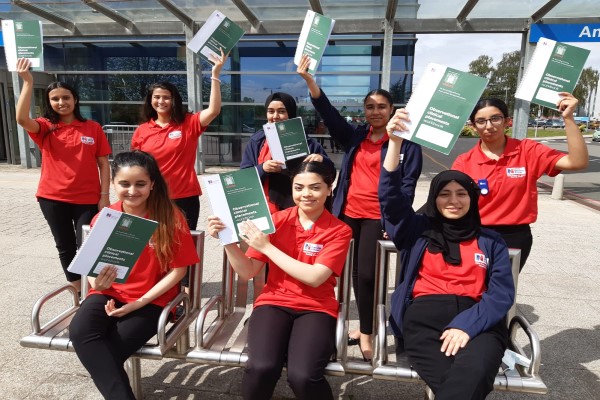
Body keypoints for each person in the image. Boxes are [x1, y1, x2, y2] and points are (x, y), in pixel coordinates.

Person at [380, 112, 515, 399]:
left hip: (479, 322)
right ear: (433, 198)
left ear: (472, 198)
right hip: (425, 322)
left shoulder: (490, 241)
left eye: (461, 194)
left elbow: (501, 295)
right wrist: (394, 143)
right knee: (461, 386)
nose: (453, 201)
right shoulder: (417, 231)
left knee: (473, 373)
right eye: (444, 194)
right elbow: (391, 201)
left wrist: (466, 325)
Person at [297, 54, 423, 359]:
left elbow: (406, 188)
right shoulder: (356, 136)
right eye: (370, 107)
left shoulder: (407, 143)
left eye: (382, 106)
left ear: (392, 110)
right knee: (331, 271)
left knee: (366, 276)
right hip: (346, 214)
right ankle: (327, 325)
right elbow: (328, 113)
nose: (376, 112)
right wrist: (310, 81)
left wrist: (391, 219)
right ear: (364, 111)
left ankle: (367, 333)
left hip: (377, 218)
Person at [207, 161, 352, 400]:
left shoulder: (339, 230)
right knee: (261, 368)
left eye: (315, 188)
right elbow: (248, 271)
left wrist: (268, 248)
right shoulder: (275, 220)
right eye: (298, 187)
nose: (306, 194)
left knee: (303, 376)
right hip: (273, 302)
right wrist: (227, 241)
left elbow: (315, 277)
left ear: (329, 189)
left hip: (316, 307)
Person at [69, 150, 199, 399]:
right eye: (124, 184)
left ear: (152, 184)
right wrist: (98, 281)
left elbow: (178, 272)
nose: (132, 191)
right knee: (81, 331)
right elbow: (93, 271)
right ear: (113, 184)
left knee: (107, 352)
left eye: (140, 184)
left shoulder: (170, 217)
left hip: (153, 300)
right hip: (109, 292)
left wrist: (137, 304)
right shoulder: (106, 218)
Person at [452, 94, 588, 271]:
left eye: (495, 119)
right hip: (474, 234)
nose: (489, 126)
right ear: (473, 126)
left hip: (515, 236)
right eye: (481, 121)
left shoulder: (527, 150)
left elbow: (577, 162)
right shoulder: (464, 162)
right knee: (473, 290)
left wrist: (568, 118)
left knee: (503, 291)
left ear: (508, 121)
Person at [15, 57, 111, 294]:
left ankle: (93, 290)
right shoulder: (45, 127)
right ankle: (77, 291)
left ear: (75, 99)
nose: (61, 102)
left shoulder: (92, 128)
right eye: (55, 99)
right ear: (49, 102)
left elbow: (104, 164)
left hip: (87, 199)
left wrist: (104, 196)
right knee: (65, 246)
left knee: (89, 246)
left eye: (66, 97)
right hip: (53, 198)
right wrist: (28, 82)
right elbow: (21, 119)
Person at [131, 50, 226, 289]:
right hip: (152, 197)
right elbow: (135, 167)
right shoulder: (143, 130)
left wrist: (215, 75)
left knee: (183, 245)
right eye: (156, 97)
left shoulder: (188, 123)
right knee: (154, 243)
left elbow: (213, 111)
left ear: (174, 100)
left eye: (166, 97)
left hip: (184, 196)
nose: (161, 101)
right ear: (150, 100)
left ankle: (185, 290)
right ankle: (158, 286)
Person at [240, 91, 335, 213]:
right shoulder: (257, 141)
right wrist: (262, 168)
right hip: (264, 207)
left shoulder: (306, 142)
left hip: (299, 209)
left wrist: (322, 160)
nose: (275, 116)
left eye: (281, 111)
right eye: (271, 111)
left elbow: (330, 173)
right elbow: (243, 177)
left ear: (290, 113)